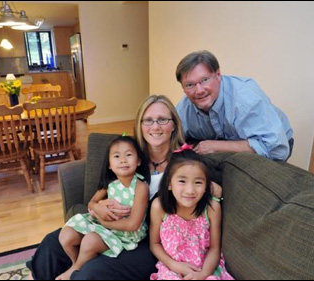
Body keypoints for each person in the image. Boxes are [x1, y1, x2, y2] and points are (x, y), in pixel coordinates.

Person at [26, 95, 221, 280]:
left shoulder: (184, 162)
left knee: (92, 272)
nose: (155, 126)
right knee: (52, 242)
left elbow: (210, 188)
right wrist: (97, 206)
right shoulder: (129, 155)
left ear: (174, 124)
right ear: (140, 125)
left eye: (162, 119)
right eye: (148, 120)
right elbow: (103, 188)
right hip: (115, 228)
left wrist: (210, 187)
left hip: (150, 242)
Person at [56, 136, 151, 280]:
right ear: (109, 164)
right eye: (117, 156)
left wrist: (105, 222)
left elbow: (133, 224)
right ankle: (77, 265)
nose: (123, 160)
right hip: (104, 226)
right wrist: (99, 209)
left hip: (126, 235)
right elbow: (92, 203)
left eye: (129, 155)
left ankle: (75, 270)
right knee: (66, 236)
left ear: (138, 161)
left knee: (89, 241)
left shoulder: (140, 187)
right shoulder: (111, 184)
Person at [175, 50, 294, 161]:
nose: (199, 90)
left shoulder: (245, 99)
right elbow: (170, 136)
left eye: (205, 80)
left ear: (218, 75)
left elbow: (278, 150)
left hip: (273, 141)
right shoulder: (184, 107)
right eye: (190, 85)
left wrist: (217, 146)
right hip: (224, 141)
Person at [150, 146, 234, 280]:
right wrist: (174, 265)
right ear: (169, 183)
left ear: (207, 186)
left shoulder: (212, 208)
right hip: (172, 269)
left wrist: (203, 274)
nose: (190, 190)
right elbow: (154, 244)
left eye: (198, 182)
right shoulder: (159, 207)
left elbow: (214, 248)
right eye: (182, 181)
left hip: (206, 269)